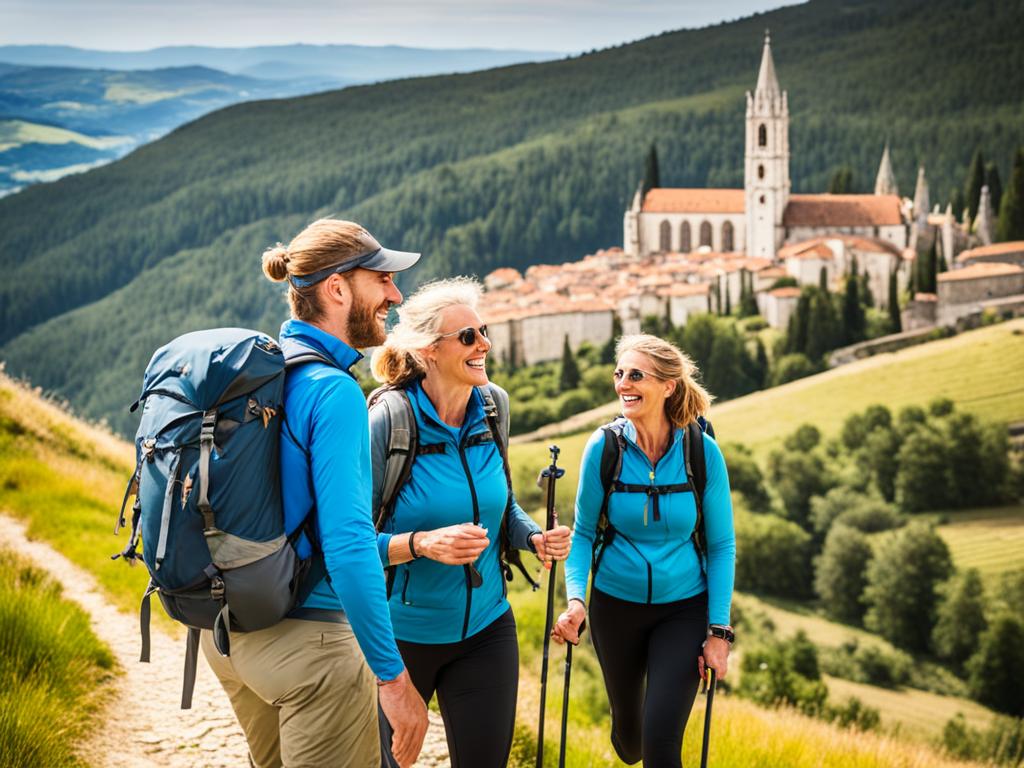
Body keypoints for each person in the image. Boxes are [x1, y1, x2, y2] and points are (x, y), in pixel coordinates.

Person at [200, 219, 428, 768]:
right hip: (311, 648)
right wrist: (394, 680)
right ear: (337, 288)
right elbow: (347, 544)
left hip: (229, 635)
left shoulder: (266, 376)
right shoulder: (333, 391)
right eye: (382, 280)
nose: (394, 296)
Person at [369, 277, 572, 768]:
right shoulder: (388, 423)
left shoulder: (492, 406)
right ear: (428, 351)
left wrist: (531, 537)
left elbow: (500, 503)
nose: (483, 344)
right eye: (468, 337)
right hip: (401, 637)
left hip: (486, 628)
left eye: (482, 331)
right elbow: (344, 542)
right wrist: (421, 543)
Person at [552, 334, 736, 768]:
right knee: (631, 741)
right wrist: (576, 600)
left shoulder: (701, 452)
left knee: (660, 742)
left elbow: (723, 544)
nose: (623, 384)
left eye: (636, 375)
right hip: (616, 608)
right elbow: (581, 535)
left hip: (683, 609)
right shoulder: (605, 448)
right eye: (619, 374)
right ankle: (627, 734)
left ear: (668, 386)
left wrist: (719, 631)